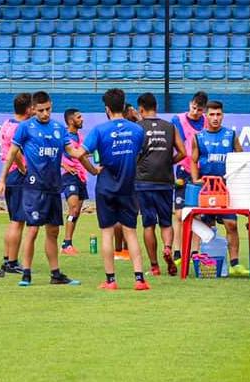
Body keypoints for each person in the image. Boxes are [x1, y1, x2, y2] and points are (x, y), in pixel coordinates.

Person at [0, 91, 93, 287]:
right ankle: (26, 274)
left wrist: (93, 166)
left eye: (48, 109)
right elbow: (12, 153)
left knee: (53, 231)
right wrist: (1, 179)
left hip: (53, 188)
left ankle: (55, 274)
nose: (45, 114)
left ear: (51, 106)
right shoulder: (25, 127)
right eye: (40, 110)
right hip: (33, 188)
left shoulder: (58, 128)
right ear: (33, 108)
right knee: (32, 230)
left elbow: (73, 152)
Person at [82, 88, 149, 291]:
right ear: (124, 106)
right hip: (128, 187)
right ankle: (139, 280)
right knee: (131, 233)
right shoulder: (137, 130)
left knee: (107, 233)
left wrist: (93, 170)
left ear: (107, 109)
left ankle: (111, 280)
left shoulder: (99, 130)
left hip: (106, 188)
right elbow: (139, 153)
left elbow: (80, 154)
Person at [189, 100, 250, 277]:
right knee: (203, 225)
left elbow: (241, 158)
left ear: (222, 115)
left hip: (226, 189)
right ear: (205, 116)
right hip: (207, 190)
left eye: (218, 114)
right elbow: (193, 160)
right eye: (212, 114)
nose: (215, 118)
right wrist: (195, 179)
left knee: (231, 224)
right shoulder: (198, 137)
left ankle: (235, 264)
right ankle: (199, 259)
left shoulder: (231, 135)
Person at [134, 92, 186, 276]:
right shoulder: (169, 126)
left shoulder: (137, 127)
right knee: (166, 221)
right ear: (156, 107)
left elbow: (133, 153)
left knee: (149, 224)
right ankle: (168, 248)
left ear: (141, 109)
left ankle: (154, 266)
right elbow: (183, 152)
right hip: (165, 181)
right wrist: (169, 161)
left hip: (144, 181)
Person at [170, 91, 208, 261]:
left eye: (199, 110)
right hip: (183, 172)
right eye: (193, 107)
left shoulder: (208, 122)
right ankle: (178, 251)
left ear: (204, 110)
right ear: (189, 104)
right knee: (179, 214)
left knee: (197, 214)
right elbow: (176, 145)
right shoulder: (177, 120)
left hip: (201, 173)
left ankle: (195, 251)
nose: (195, 112)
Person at [0, 93, 33, 273]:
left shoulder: (6, 123)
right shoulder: (20, 128)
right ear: (28, 109)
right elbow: (16, 152)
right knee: (18, 221)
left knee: (13, 220)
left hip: (10, 175)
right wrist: (24, 168)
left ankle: (7, 258)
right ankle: (12, 262)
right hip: (17, 176)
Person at [60, 108, 88, 255]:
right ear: (71, 121)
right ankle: (66, 244)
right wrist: (64, 164)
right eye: (79, 117)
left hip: (80, 176)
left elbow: (83, 155)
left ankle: (68, 242)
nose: (82, 119)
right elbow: (52, 152)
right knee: (74, 208)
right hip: (68, 175)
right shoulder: (62, 136)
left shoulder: (80, 137)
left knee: (77, 212)